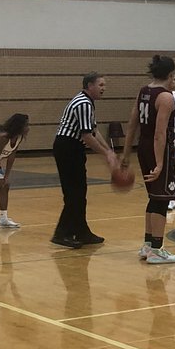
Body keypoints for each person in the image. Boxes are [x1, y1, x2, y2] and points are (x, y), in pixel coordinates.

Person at [121, 55, 175, 265]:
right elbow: (159, 133)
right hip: (159, 149)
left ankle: (148, 245)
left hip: (143, 147)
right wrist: (160, 163)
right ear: (171, 74)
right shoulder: (166, 97)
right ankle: (157, 249)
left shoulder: (143, 91)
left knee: (154, 197)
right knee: (162, 198)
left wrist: (126, 153)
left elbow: (131, 124)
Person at [52, 72, 118, 249]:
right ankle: (61, 233)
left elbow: (94, 130)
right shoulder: (83, 103)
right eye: (101, 85)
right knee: (74, 194)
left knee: (80, 193)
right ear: (90, 86)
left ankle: (81, 231)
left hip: (73, 148)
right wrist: (106, 155)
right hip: (67, 148)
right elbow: (87, 136)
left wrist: (109, 151)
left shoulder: (87, 102)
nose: (104, 89)